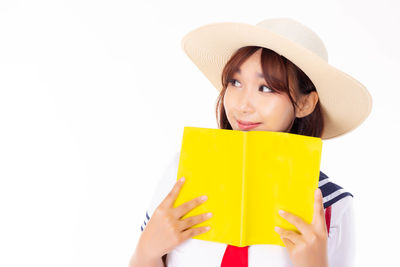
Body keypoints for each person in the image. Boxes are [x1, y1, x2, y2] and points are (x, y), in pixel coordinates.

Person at [129, 18, 372, 267]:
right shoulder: (183, 172)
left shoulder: (332, 204)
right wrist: (146, 252)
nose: (242, 105)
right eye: (235, 82)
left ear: (304, 103)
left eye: (266, 88)